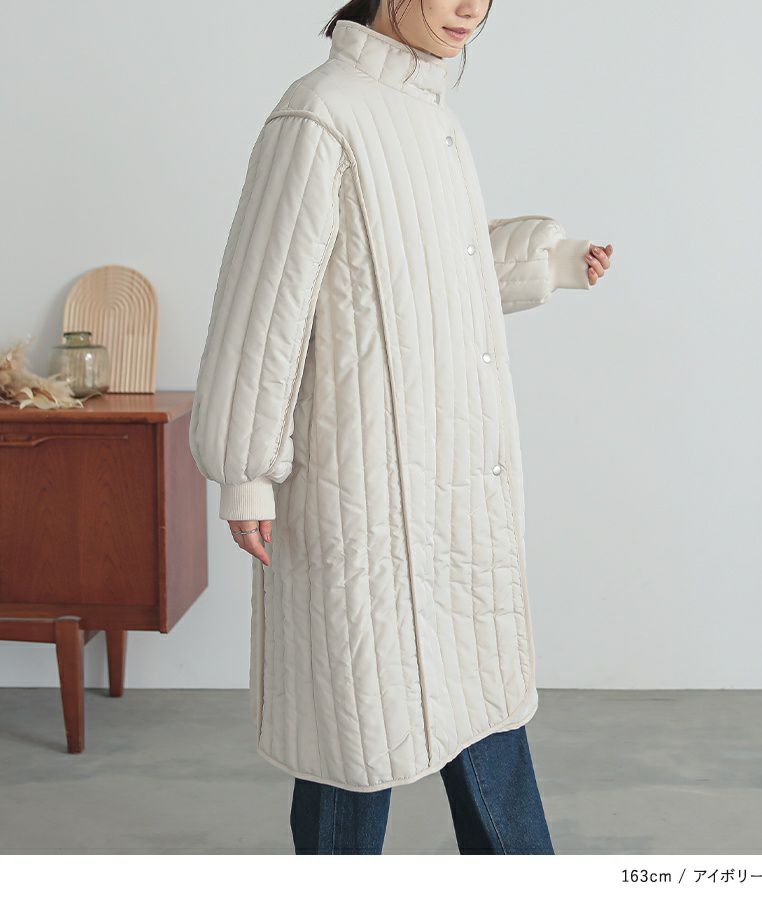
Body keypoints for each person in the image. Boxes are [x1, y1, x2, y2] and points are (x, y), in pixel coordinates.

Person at [189, 0, 612, 854]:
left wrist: (549, 263)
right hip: (363, 484)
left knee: (477, 695)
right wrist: (246, 468)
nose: (470, 9)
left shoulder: (430, 114)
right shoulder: (319, 115)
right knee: (353, 723)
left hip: (452, 474)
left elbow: (426, 274)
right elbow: (264, 306)